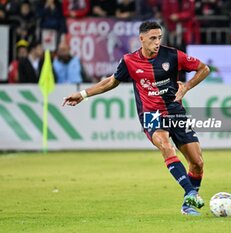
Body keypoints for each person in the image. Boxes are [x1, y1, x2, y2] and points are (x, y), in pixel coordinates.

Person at [62, 21, 210, 216]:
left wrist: (187, 86)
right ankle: (190, 192)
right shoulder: (129, 61)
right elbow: (111, 82)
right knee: (166, 146)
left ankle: (188, 203)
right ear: (142, 39)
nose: (157, 42)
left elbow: (204, 68)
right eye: (152, 38)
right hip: (151, 114)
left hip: (176, 112)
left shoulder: (173, 55)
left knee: (197, 163)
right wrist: (83, 94)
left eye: (159, 38)